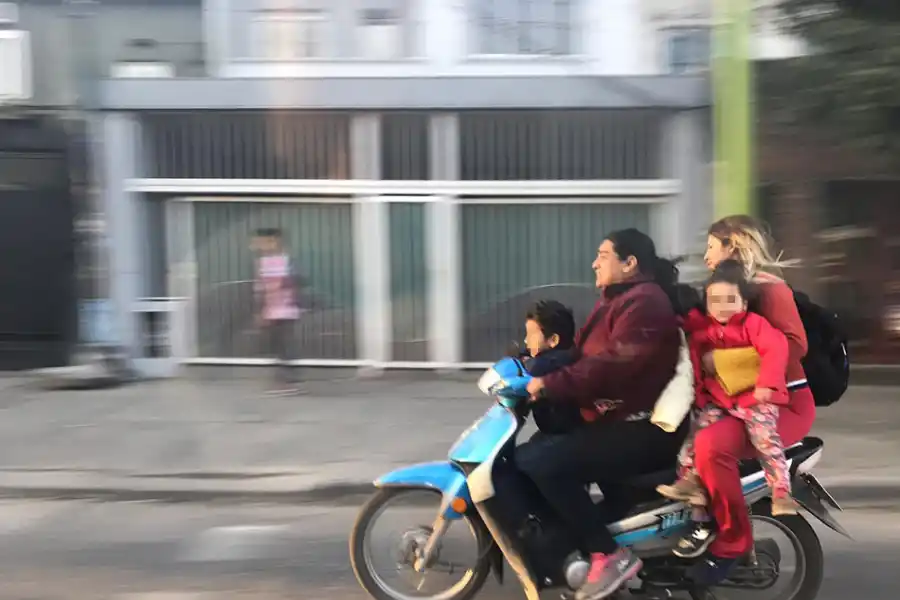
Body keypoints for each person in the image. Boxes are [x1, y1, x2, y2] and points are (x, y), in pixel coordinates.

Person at [518, 228, 689, 600]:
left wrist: (551, 385)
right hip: (618, 419)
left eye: (603, 255)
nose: (595, 262)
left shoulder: (644, 303)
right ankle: (569, 542)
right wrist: (532, 366)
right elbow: (583, 355)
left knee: (545, 463)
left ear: (630, 264)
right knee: (532, 452)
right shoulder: (619, 299)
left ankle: (607, 553)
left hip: (643, 430)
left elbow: (612, 365)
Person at [685, 216, 816, 585]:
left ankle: (731, 540)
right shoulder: (722, 288)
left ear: (733, 245)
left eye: (712, 247)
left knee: (711, 447)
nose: (707, 256)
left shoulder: (769, 289)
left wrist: (724, 360)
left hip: (780, 404)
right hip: (736, 402)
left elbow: (795, 345)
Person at [656, 260, 798, 559]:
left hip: (756, 400)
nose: (722, 307)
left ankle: (781, 491)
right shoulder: (702, 331)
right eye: (715, 301)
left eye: (730, 300)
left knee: (765, 440)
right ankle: (694, 494)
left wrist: (767, 384)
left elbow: (776, 349)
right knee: (692, 443)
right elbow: (695, 365)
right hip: (721, 403)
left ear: (744, 302)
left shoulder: (754, 326)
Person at [252, 228, 303, 395]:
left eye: (265, 241)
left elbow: (295, 281)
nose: (260, 245)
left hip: (286, 310)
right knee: (275, 345)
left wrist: (281, 287)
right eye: (259, 242)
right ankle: (282, 380)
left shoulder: (287, 261)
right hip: (271, 310)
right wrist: (261, 310)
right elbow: (260, 287)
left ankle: (288, 382)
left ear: (276, 241)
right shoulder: (261, 262)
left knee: (285, 345)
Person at [520, 300, 583, 436]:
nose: (526, 340)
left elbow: (533, 370)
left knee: (523, 456)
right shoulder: (568, 354)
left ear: (553, 340)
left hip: (566, 436)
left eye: (531, 335)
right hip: (557, 431)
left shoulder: (551, 364)